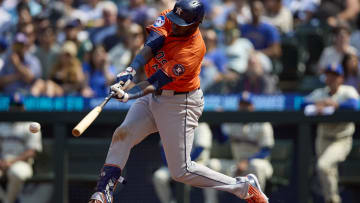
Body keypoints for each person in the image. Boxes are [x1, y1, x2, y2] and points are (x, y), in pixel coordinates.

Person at [88, 0, 269, 203]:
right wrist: (131, 69)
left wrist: (129, 94)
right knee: (122, 134)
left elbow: (156, 81)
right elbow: (150, 45)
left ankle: (244, 187)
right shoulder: (170, 16)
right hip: (152, 97)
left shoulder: (193, 50)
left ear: (195, 24)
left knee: (181, 171)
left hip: (180, 103)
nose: (174, 25)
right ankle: (104, 192)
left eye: (180, 23)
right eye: (174, 20)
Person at [302, 64, 359, 203]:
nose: (331, 78)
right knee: (328, 171)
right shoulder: (321, 93)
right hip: (323, 138)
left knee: (323, 165)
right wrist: (319, 104)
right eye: (328, 75)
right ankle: (332, 199)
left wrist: (336, 105)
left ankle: (333, 199)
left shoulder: (347, 91)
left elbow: (356, 105)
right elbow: (302, 104)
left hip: (341, 138)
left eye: (334, 75)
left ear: (341, 78)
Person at [204, 92, 274, 203]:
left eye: (247, 104)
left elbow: (266, 150)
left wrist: (246, 161)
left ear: (253, 106)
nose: (244, 107)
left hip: (258, 163)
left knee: (257, 167)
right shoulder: (233, 121)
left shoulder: (263, 123)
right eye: (242, 104)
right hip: (236, 163)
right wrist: (219, 120)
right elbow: (222, 140)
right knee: (210, 165)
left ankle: (259, 201)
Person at [152, 122, 212, 203]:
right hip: (175, 165)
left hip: (198, 163)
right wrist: (171, 165)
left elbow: (200, 148)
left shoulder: (202, 125)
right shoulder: (171, 123)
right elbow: (163, 148)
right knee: (159, 177)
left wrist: (184, 164)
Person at [0, 94, 43, 203]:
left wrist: (11, 162)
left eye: (18, 105)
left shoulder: (30, 125)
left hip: (21, 163)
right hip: (2, 161)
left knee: (16, 173)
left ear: (23, 107)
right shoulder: (2, 125)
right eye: (13, 105)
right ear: (9, 107)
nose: (15, 108)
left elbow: (31, 152)